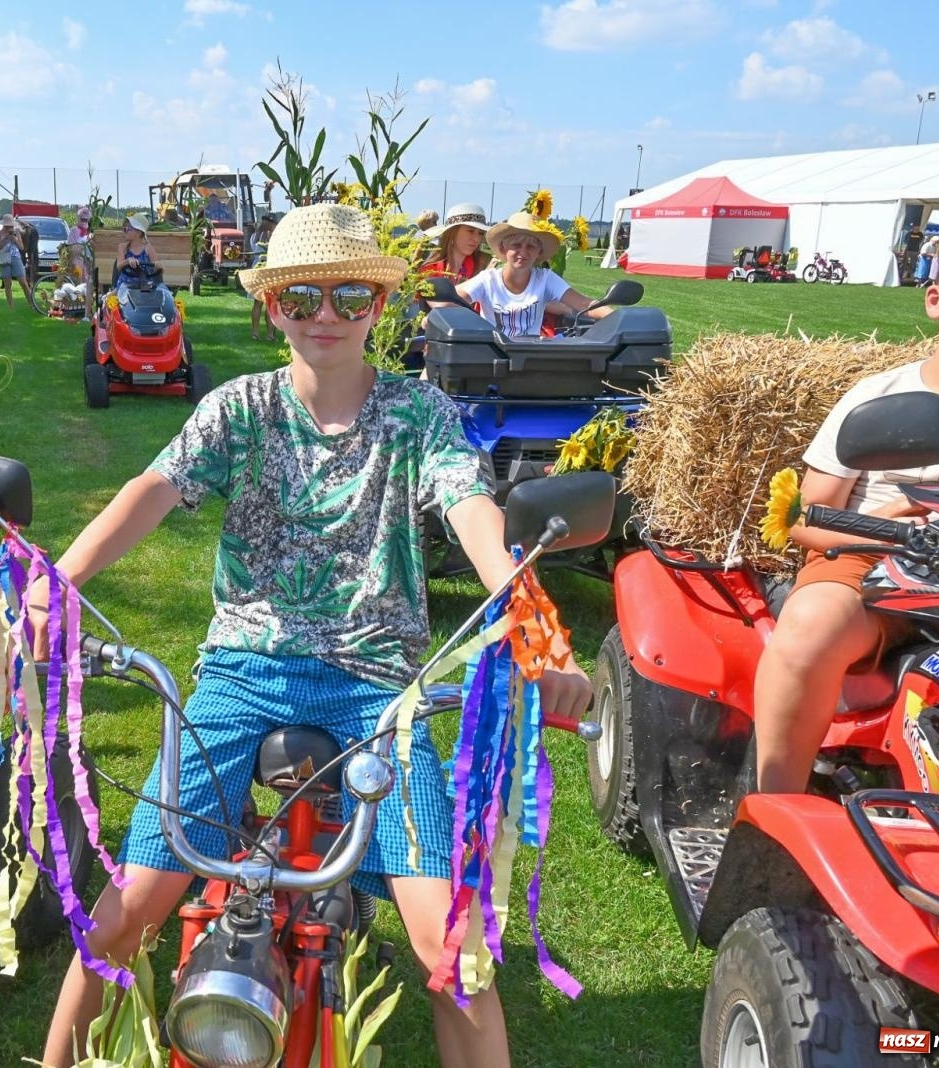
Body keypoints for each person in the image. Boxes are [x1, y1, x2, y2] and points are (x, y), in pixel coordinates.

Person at [38, 203, 593, 1068]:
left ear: (378, 302)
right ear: (273, 307)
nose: (325, 314)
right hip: (242, 671)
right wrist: (54, 586)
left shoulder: (419, 415)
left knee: (457, 951)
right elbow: (149, 492)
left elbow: (472, 508)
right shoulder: (239, 410)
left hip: (379, 688)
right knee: (123, 913)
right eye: (301, 297)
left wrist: (529, 614)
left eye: (347, 295)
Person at [753, 222, 939, 794]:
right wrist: (880, 527)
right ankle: (775, 802)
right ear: (936, 299)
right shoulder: (876, 396)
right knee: (810, 626)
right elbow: (805, 521)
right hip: (874, 565)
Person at [459, 211, 610, 337]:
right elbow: (453, 297)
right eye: (516, 245)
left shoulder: (545, 279)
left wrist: (618, 317)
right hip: (493, 360)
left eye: (531, 246)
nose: (523, 252)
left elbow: (583, 304)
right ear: (503, 248)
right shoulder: (488, 280)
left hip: (530, 360)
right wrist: (436, 294)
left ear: (539, 252)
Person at [420, 202, 492, 285]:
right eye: (470, 231)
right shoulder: (430, 270)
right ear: (452, 233)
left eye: (481, 233)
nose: (476, 239)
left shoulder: (486, 269)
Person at [248, 211, 278, 341]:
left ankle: (255, 333)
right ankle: (270, 334)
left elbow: (252, 249)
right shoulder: (276, 237)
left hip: (257, 269)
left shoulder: (255, 236)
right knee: (271, 303)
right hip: (270, 269)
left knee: (257, 304)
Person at [0, 214, 32, 310]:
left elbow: (22, 248)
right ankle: (11, 306)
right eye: (8, 226)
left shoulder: (16, 233)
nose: (10, 227)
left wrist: (15, 240)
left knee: (23, 282)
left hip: (15, 257)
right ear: (4, 225)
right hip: (4, 259)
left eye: (11, 225)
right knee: (8, 284)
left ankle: (32, 304)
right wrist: (5, 239)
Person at [112, 213, 159, 288]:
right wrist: (128, 261)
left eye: (127, 229)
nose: (124, 231)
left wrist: (158, 266)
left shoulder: (148, 248)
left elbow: (157, 266)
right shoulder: (122, 247)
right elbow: (119, 267)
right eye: (124, 229)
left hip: (145, 286)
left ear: (138, 232)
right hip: (126, 286)